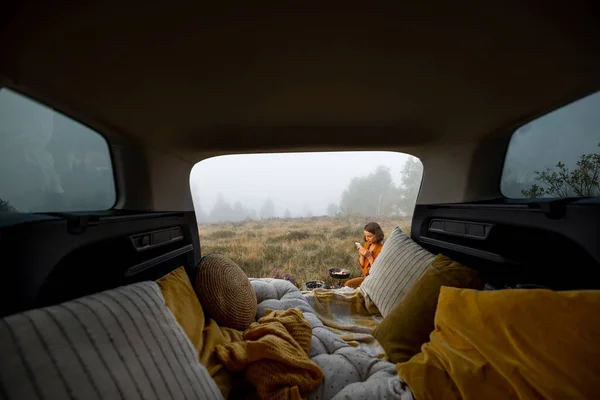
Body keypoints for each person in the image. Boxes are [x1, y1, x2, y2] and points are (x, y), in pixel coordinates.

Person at [345, 222, 384, 288]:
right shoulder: (367, 244)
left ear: (377, 235)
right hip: (366, 278)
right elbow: (362, 265)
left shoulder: (382, 249)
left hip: (375, 280)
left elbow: (377, 271)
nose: (366, 238)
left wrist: (369, 257)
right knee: (348, 284)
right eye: (365, 236)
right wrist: (362, 255)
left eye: (369, 236)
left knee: (350, 285)